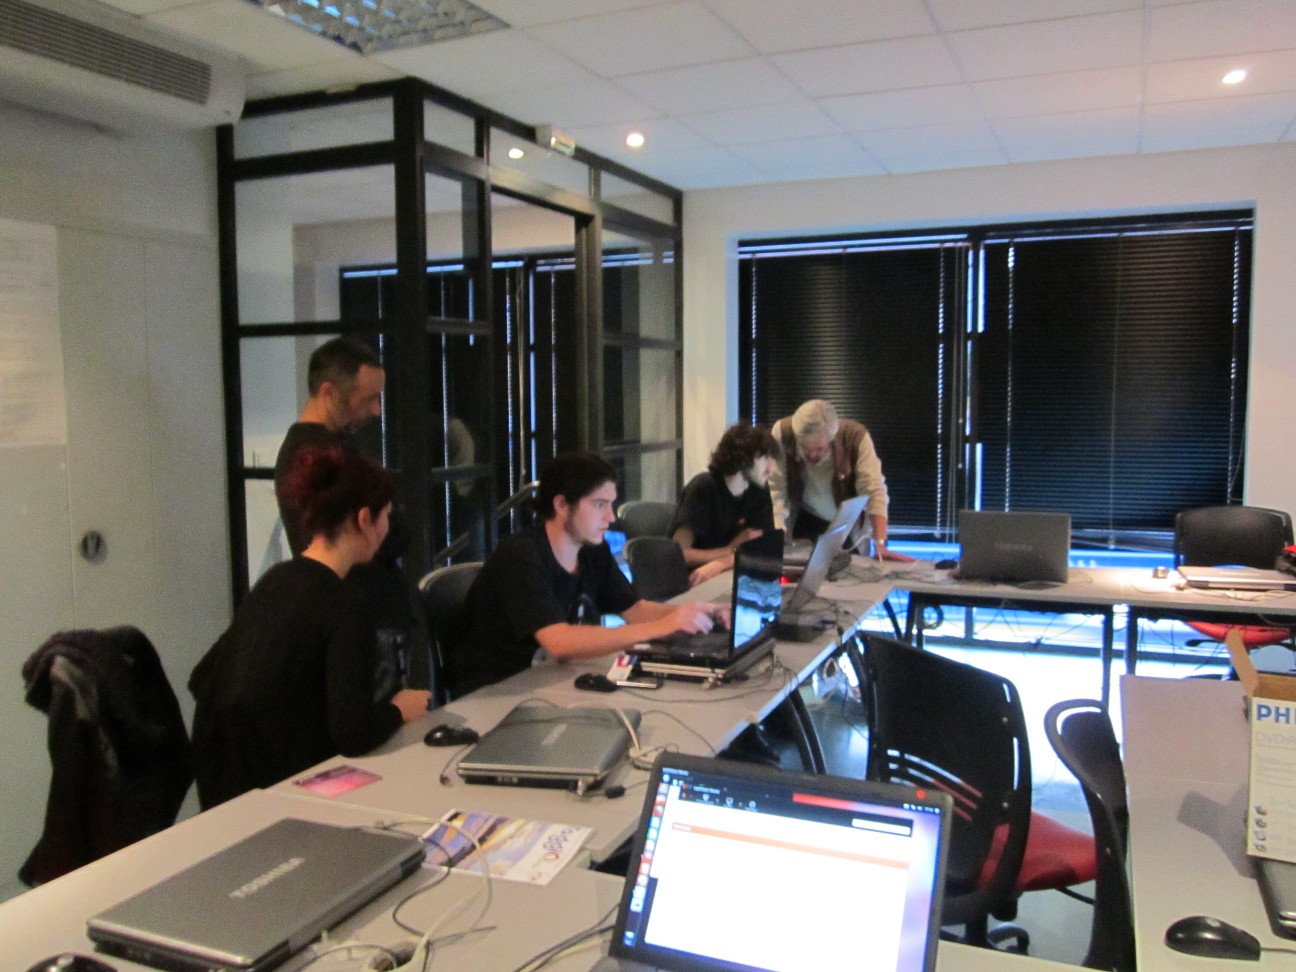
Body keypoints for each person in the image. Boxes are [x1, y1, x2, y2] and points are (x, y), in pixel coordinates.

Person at [189, 445, 431, 809]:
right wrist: (400, 708)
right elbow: (353, 733)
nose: (388, 528)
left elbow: (204, 678)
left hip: (225, 789)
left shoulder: (274, 581)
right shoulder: (347, 604)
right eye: (386, 516)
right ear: (364, 520)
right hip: (287, 795)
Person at [451, 451, 726, 697]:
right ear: (562, 505)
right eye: (599, 505)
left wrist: (703, 615)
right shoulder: (521, 556)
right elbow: (558, 642)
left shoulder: (592, 550)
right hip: (495, 694)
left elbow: (635, 610)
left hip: (552, 683)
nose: (611, 517)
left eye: (611, 504)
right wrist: (660, 627)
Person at [274, 336, 386, 555]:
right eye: (367, 399)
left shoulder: (311, 446)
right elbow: (393, 536)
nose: (376, 410)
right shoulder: (321, 456)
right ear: (329, 393)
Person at [769, 398, 911, 561]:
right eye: (805, 448)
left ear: (831, 438)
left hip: (846, 524)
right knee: (802, 570)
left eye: (819, 448)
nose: (811, 455)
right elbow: (776, 491)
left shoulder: (855, 437)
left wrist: (880, 544)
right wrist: (776, 539)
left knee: (851, 571)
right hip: (805, 518)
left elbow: (874, 491)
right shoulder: (783, 433)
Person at [670, 423, 777, 587]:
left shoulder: (758, 490)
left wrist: (721, 563)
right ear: (744, 458)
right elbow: (678, 554)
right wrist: (729, 550)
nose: (771, 468)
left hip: (727, 576)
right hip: (690, 581)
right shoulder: (703, 488)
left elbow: (763, 550)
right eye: (764, 458)